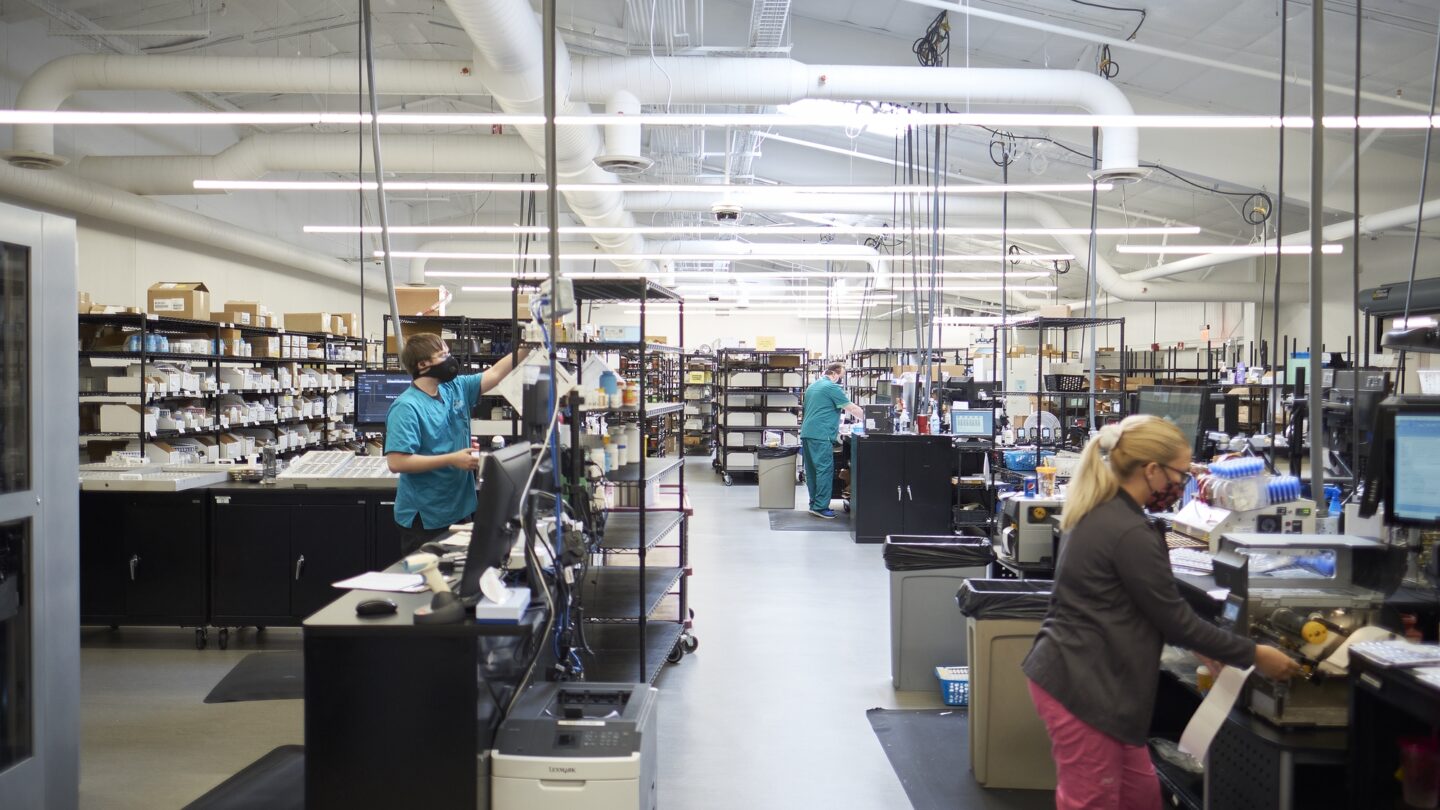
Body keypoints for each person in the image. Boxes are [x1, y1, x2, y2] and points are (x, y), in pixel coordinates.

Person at [1022, 414, 1301, 810]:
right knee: (1093, 800)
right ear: (1151, 470)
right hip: (1084, 687)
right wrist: (1256, 655)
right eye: (1181, 474)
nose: (1182, 484)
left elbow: (1146, 607)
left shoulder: (1105, 511)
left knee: (1140, 797)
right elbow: (1176, 621)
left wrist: (1204, 646)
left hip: (1100, 682)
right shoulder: (1126, 530)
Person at [385, 333, 526, 555]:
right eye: (443, 355)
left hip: (460, 507)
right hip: (427, 517)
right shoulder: (406, 407)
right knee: (429, 574)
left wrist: (529, 345)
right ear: (423, 365)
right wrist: (452, 459)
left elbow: (496, 373)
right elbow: (397, 462)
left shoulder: (453, 388)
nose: (450, 360)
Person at [799, 362, 864, 519]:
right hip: (821, 435)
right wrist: (870, 420)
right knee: (824, 470)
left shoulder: (812, 386)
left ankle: (814, 503)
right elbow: (851, 408)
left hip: (807, 432)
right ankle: (821, 507)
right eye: (840, 377)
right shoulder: (831, 387)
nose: (840, 380)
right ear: (834, 374)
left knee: (812, 471)